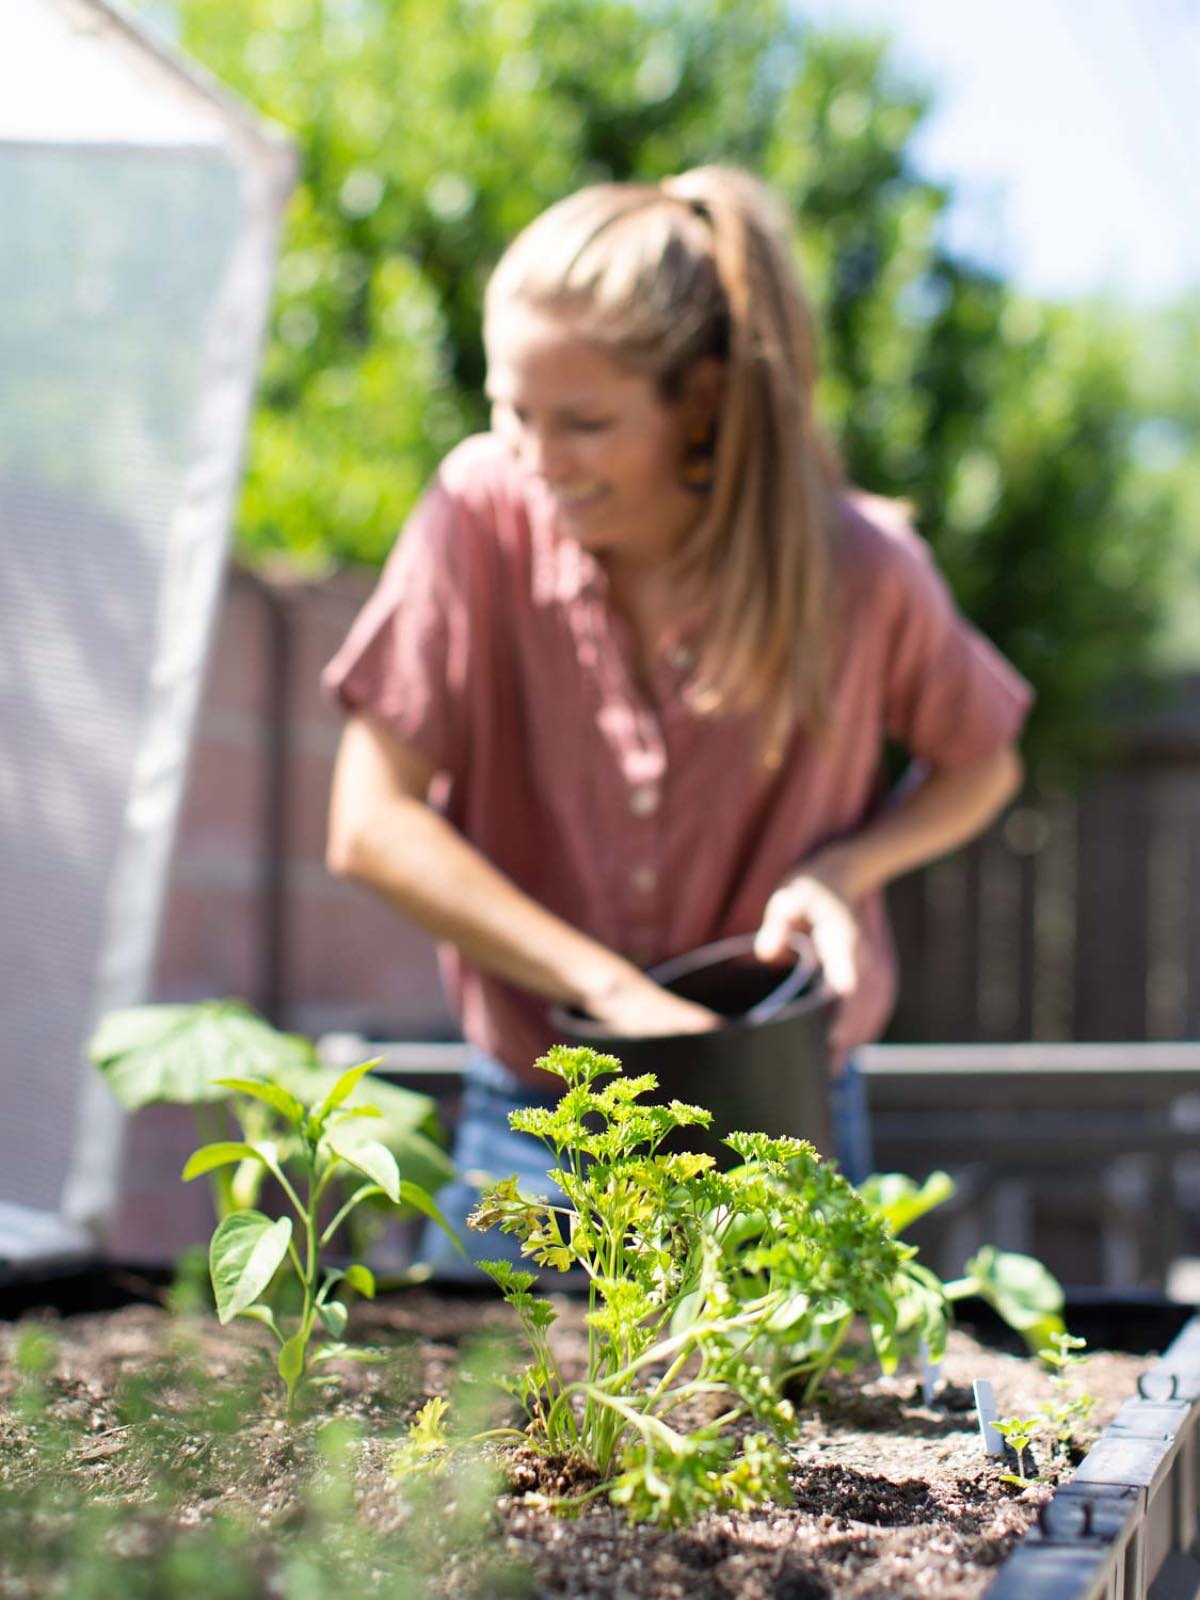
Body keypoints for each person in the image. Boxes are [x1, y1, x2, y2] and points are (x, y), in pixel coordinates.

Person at [322, 165, 1030, 1266]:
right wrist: (613, 996)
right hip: (537, 1125)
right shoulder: (476, 512)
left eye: (585, 422)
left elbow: (981, 765)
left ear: (697, 399)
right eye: (512, 408)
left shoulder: (862, 569)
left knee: (785, 1440)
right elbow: (369, 825)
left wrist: (844, 872)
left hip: (774, 1129)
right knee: (480, 1439)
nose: (534, 456)